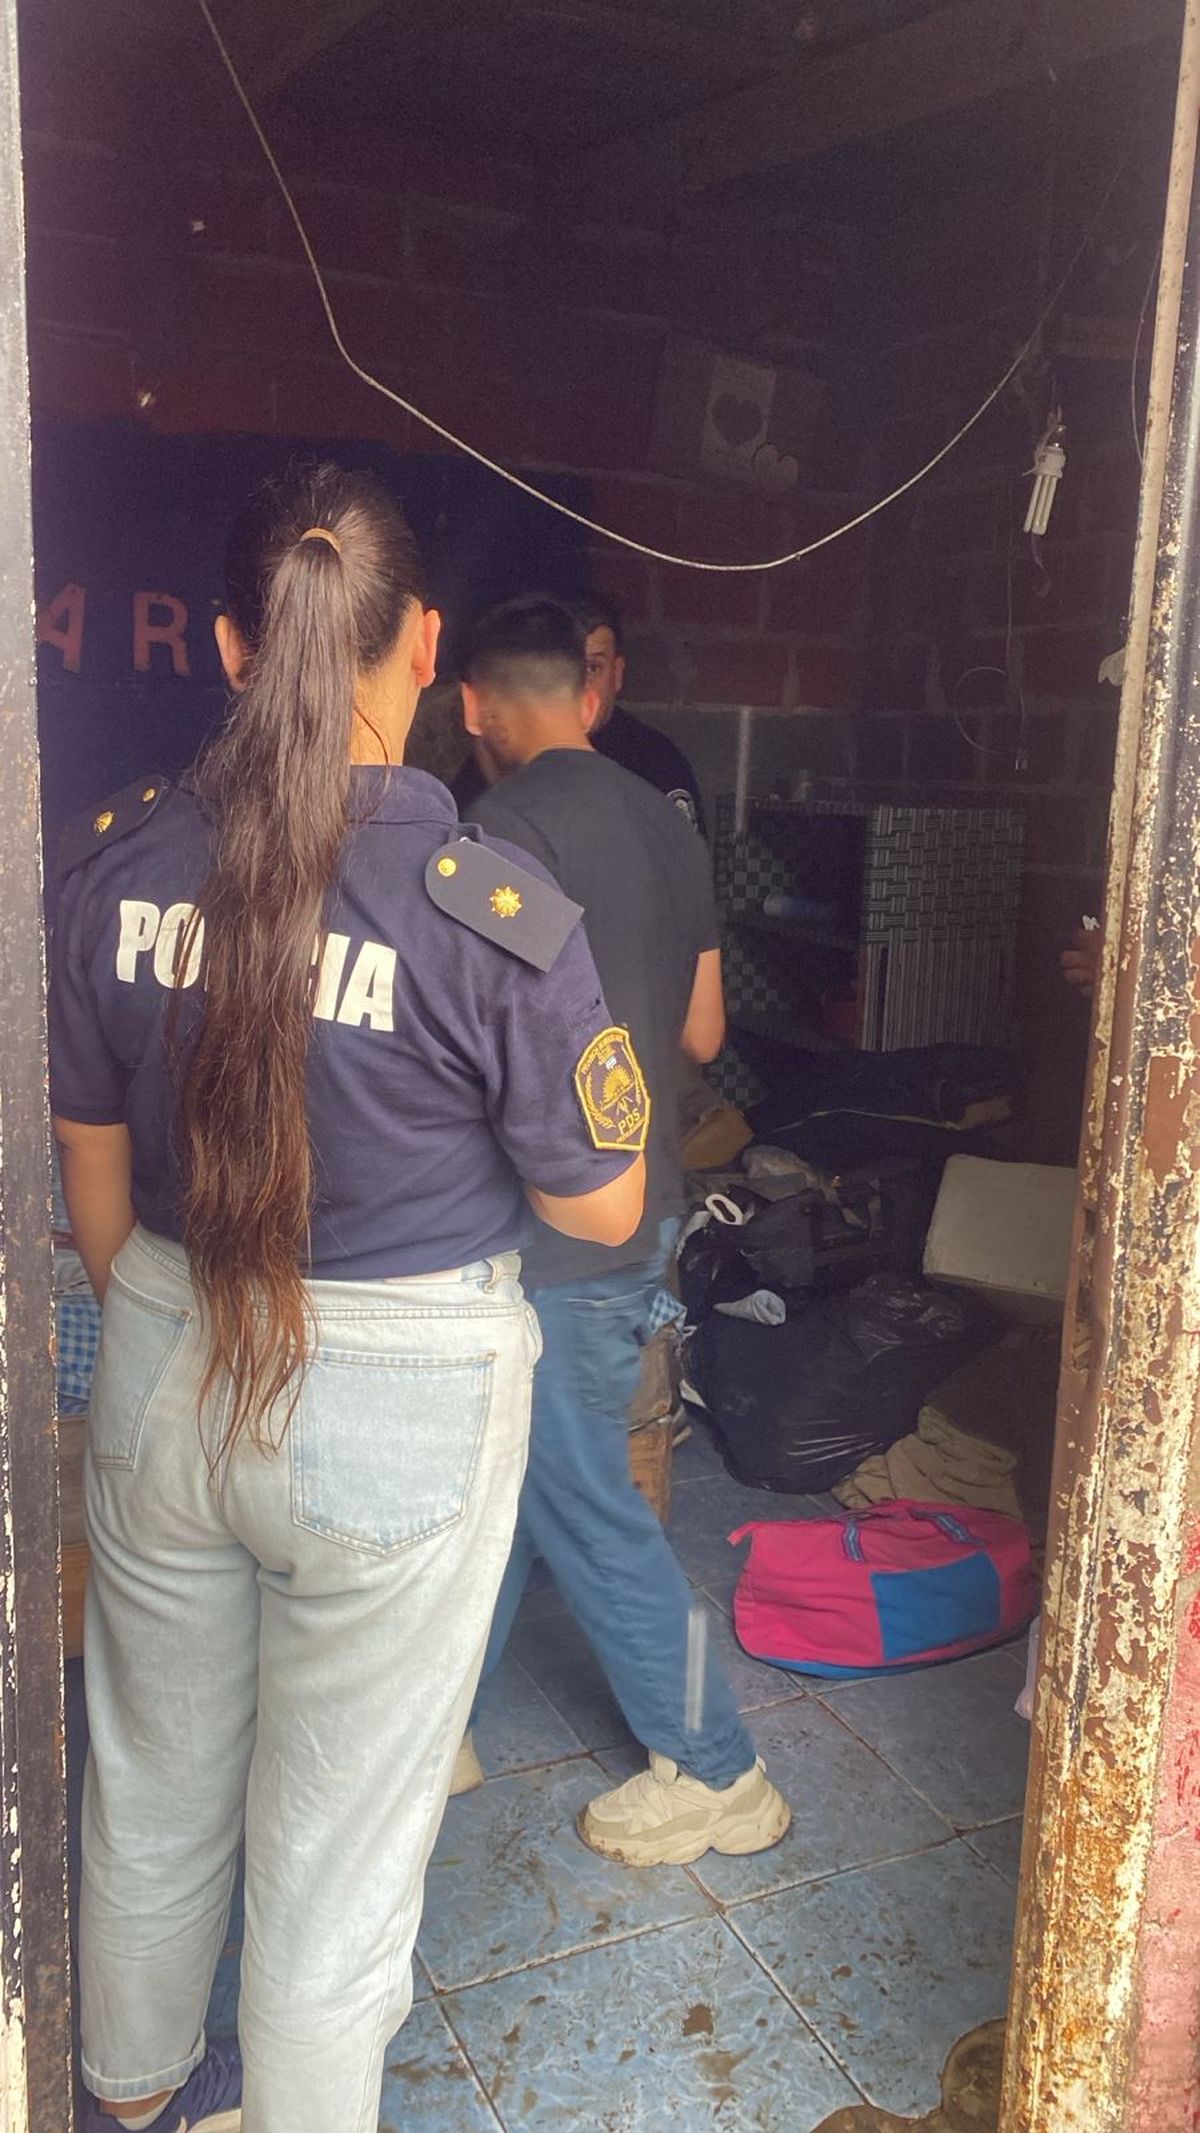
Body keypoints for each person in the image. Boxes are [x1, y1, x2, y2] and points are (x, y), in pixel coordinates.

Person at [49, 466, 646, 2133]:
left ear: (233, 647)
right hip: (400, 1409)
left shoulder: (116, 868)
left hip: (166, 1343)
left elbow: (91, 1164)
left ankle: (131, 2099)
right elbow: (601, 1199)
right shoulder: (490, 916)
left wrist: (171, 1318)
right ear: (425, 646)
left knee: (148, 1781)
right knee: (333, 1850)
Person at [454, 595, 791, 1867]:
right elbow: (702, 1032)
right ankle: (437, 1724)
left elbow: (479, 1053)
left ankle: (718, 1767)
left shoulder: (495, 834)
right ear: (588, 695)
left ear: (475, 706)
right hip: (644, 1209)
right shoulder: (665, 820)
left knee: (581, 1491)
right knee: (522, 1476)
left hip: (551, 1229)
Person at [451, 590, 706, 831]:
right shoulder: (503, 754)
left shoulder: (654, 763)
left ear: (617, 673)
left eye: (593, 668)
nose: (580, 684)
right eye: (567, 669)